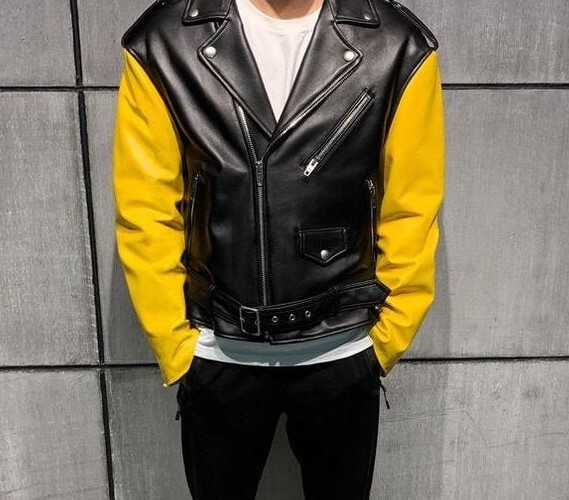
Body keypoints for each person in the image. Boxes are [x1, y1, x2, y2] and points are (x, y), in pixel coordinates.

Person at [112, 0, 445, 497]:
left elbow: (412, 206)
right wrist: (176, 345)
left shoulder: (396, 43)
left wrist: (386, 339)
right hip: (217, 348)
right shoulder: (165, 40)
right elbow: (145, 209)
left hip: (343, 348)